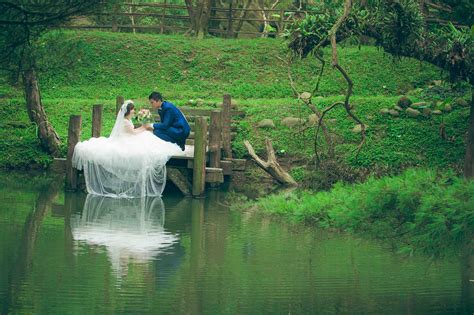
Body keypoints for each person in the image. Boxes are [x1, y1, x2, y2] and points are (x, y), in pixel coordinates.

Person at [72, 100, 182, 198]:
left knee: (147, 138)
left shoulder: (127, 119)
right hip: (124, 141)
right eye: (133, 110)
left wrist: (144, 127)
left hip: (128, 138)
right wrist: (144, 127)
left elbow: (133, 131)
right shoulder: (124, 121)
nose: (134, 111)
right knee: (145, 142)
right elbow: (133, 132)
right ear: (128, 111)